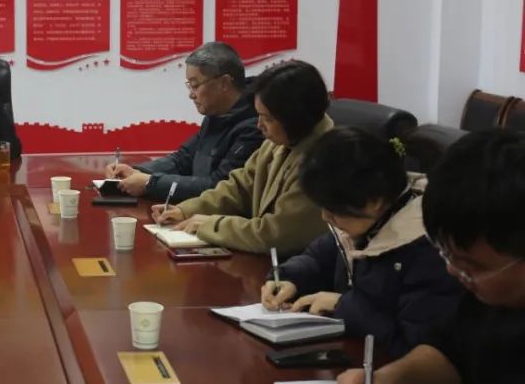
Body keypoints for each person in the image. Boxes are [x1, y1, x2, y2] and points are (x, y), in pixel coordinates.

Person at [336, 129, 525, 384]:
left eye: (472, 266)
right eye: (447, 255)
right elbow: (451, 354)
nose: (453, 271)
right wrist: (391, 381)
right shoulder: (488, 295)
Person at [261, 127, 463, 358]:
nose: (325, 217)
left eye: (333, 210)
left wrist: (342, 305)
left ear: (374, 201)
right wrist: (291, 279)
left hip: (389, 371)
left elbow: (416, 347)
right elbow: (319, 258)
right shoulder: (365, 220)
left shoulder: (429, 250)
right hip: (350, 356)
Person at [152, 60, 332, 255]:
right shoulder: (280, 140)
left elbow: (277, 235)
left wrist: (213, 225)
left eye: (267, 118)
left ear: (295, 118)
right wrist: (186, 210)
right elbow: (240, 186)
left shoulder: (324, 162)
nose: (259, 125)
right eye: (259, 115)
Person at [106, 42, 262, 201]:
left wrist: (150, 183)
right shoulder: (216, 114)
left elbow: (219, 187)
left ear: (224, 83)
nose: (191, 95)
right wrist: (137, 171)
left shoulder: (255, 127)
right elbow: (183, 159)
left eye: (195, 85)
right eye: (189, 86)